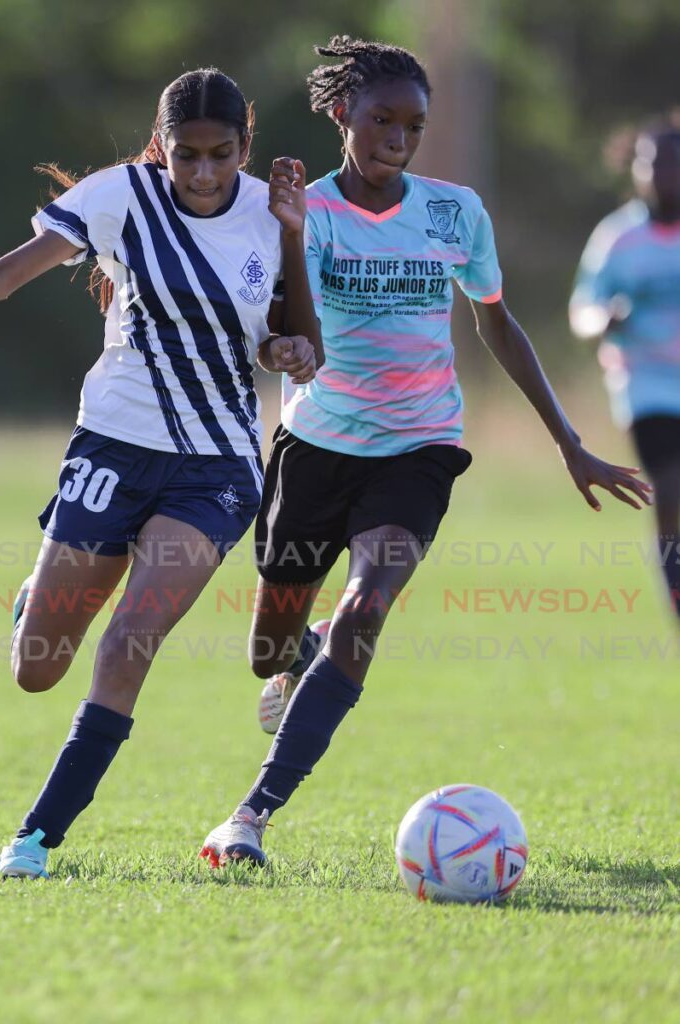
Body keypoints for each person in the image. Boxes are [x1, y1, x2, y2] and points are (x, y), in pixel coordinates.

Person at [199, 37, 652, 868]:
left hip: (421, 447)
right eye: (381, 120)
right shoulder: (303, 209)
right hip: (315, 445)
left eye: (413, 125)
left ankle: (250, 817)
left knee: (368, 612)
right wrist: (292, 237)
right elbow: (281, 326)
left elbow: (495, 321)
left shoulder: (454, 212)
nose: (397, 139)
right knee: (269, 648)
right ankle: (302, 650)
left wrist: (569, 442)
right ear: (343, 115)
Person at [0, 68, 321, 879]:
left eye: (221, 155)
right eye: (186, 155)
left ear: (244, 148)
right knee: (37, 667)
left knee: (127, 642)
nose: (203, 173)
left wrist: (291, 267)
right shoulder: (119, 196)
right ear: (163, 148)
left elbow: (290, 345)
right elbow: (9, 274)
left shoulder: (274, 212)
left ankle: (37, 838)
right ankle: (34, 594)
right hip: (111, 446)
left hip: (215, 467)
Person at [570, 116, 680, 619]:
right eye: (652, 163)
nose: (663, 174)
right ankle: (675, 586)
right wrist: (603, 320)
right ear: (635, 168)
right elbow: (583, 310)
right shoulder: (618, 237)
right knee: (673, 487)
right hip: (645, 386)